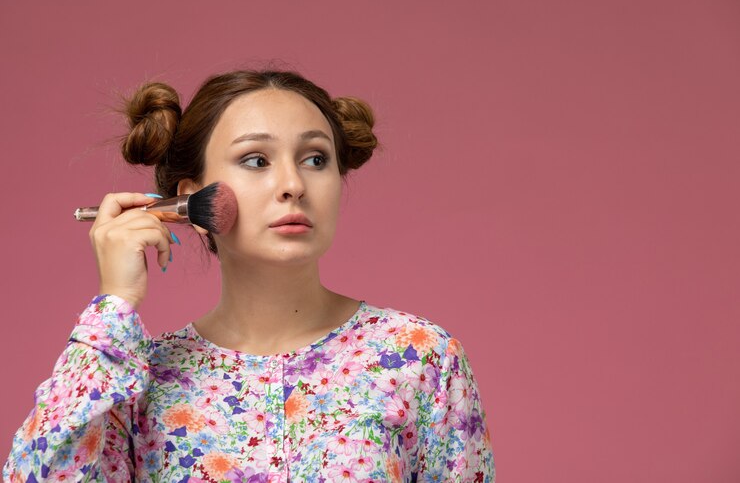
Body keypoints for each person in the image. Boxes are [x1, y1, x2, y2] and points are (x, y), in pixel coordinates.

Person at [3, 69, 495, 482]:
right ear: (193, 196)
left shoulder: (417, 356)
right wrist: (114, 306)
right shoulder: (137, 379)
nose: (292, 184)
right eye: (256, 160)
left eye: (316, 159)